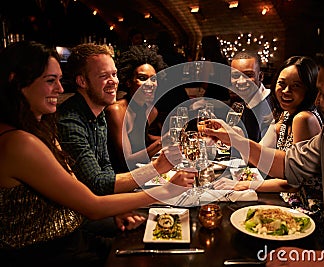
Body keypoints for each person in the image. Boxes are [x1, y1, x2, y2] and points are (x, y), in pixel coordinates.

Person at [0, 40, 195, 267]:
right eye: (50, 81)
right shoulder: (21, 142)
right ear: (17, 82)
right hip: (47, 253)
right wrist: (165, 190)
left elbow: (79, 196)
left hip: (73, 233)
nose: (60, 89)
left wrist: (113, 213)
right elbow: (92, 200)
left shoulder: (42, 126)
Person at [205, 42, 324, 261]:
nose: (316, 101)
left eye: (323, 94)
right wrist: (235, 139)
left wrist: (314, 261)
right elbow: (288, 164)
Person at [57, 43, 180, 196]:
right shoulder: (70, 121)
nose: (114, 81)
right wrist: (156, 167)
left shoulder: (98, 113)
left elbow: (106, 167)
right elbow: (96, 183)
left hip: (106, 198)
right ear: (82, 82)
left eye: (114, 74)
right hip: (80, 213)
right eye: (104, 76)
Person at [214, 56, 324, 217]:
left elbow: (294, 183)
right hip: (285, 196)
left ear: (309, 89)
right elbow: (264, 150)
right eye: (282, 84)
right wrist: (230, 135)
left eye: (296, 86)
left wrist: (246, 184)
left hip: (304, 206)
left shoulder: (304, 118)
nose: (286, 91)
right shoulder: (288, 115)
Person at [105, 45, 166, 173]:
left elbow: (142, 139)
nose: (150, 84)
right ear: (128, 81)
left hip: (141, 173)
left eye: (154, 79)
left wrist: (173, 137)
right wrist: (162, 143)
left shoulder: (151, 111)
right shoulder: (116, 111)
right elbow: (126, 161)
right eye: (143, 78)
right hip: (121, 177)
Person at [229, 50, 273, 143]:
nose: (241, 81)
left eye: (248, 75)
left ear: (260, 76)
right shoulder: (244, 105)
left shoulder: (271, 106)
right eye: (235, 75)